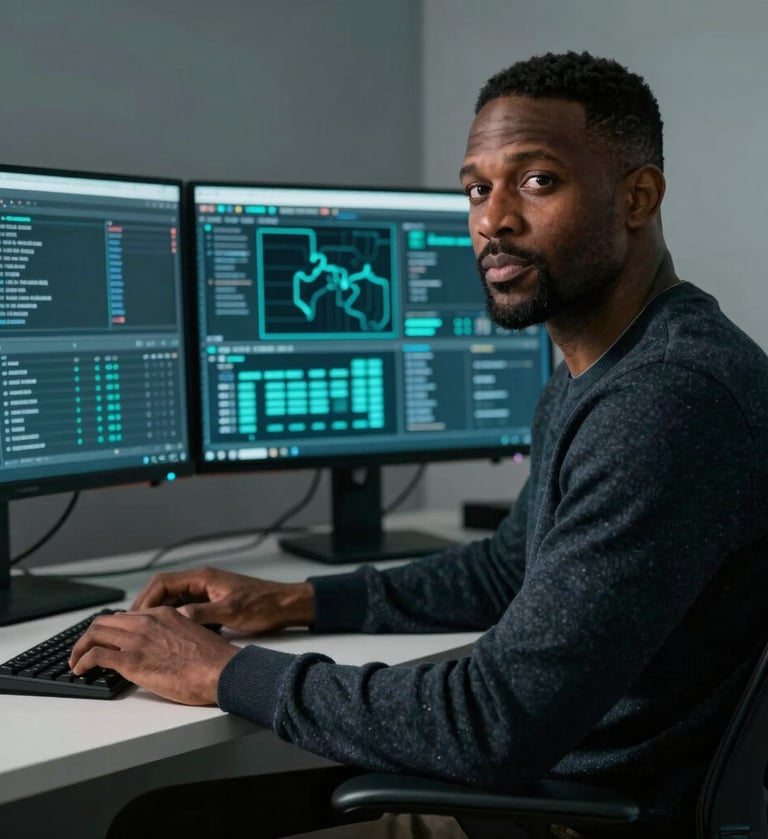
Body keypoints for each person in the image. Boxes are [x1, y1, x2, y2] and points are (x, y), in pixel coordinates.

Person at [70, 51, 768, 839]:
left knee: (160, 829)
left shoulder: (667, 397)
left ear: (637, 196)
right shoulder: (604, 368)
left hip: (580, 814)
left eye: (536, 182)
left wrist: (222, 671)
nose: (491, 219)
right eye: (477, 187)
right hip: (557, 779)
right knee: (166, 817)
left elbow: (491, 721)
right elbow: (513, 566)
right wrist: (297, 600)